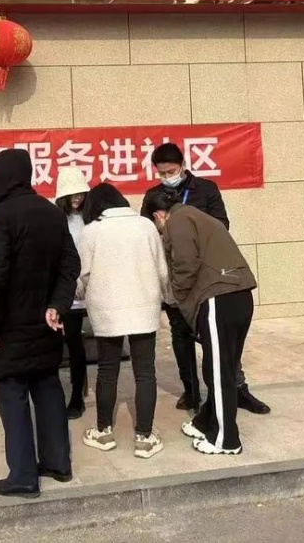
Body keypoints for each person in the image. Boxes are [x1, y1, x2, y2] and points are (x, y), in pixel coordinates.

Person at [0, 149, 80, 498]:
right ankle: (58, 463)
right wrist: (57, 305)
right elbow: (71, 265)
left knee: (12, 394)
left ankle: (23, 475)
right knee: (48, 387)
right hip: (46, 323)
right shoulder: (52, 212)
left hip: (11, 327)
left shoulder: (1, 216)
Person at [140, 142, 270, 416]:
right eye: (162, 173)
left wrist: (187, 228)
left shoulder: (205, 189)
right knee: (180, 335)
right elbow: (147, 233)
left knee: (221, 339)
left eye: (171, 171)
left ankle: (236, 389)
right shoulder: (153, 196)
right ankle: (191, 390)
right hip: (175, 276)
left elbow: (221, 225)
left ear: (183, 165)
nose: (167, 178)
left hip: (208, 278)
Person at [146, 192, 257, 456]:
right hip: (239, 296)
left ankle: (226, 440)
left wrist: (177, 297)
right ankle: (205, 421)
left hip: (218, 299)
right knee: (222, 368)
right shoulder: (198, 216)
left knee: (217, 372)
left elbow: (185, 264)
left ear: (158, 216)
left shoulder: (177, 220)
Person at [77, 183, 168, 460]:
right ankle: (145, 437)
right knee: (145, 372)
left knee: (107, 371)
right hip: (144, 308)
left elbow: (83, 274)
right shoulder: (146, 226)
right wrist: (164, 296)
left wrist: (84, 293)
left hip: (107, 310)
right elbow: (162, 270)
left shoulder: (91, 231)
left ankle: (103, 431)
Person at [53, 166, 90, 419]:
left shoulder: (90, 218)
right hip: (64, 290)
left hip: (88, 287)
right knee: (64, 342)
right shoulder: (55, 218)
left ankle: (78, 395)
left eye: (81, 193)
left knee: (77, 342)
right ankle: (64, 396)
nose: (77, 198)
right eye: (72, 194)